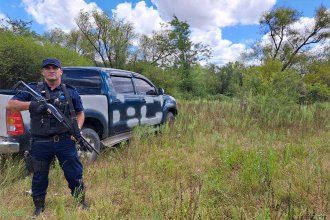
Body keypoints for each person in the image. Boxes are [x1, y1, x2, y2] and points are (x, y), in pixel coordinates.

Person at [6, 58, 89, 216]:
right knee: (39, 176)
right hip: (40, 142)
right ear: (42, 72)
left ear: (60, 71)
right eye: (47, 68)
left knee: (74, 174)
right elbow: (10, 105)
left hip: (65, 141)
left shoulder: (70, 91)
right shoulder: (32, 90)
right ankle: (39, 207)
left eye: (55, 68)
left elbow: (80, 112)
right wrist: (32, 105)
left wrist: (77, 129)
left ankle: (81, 202)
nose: (51, 70)